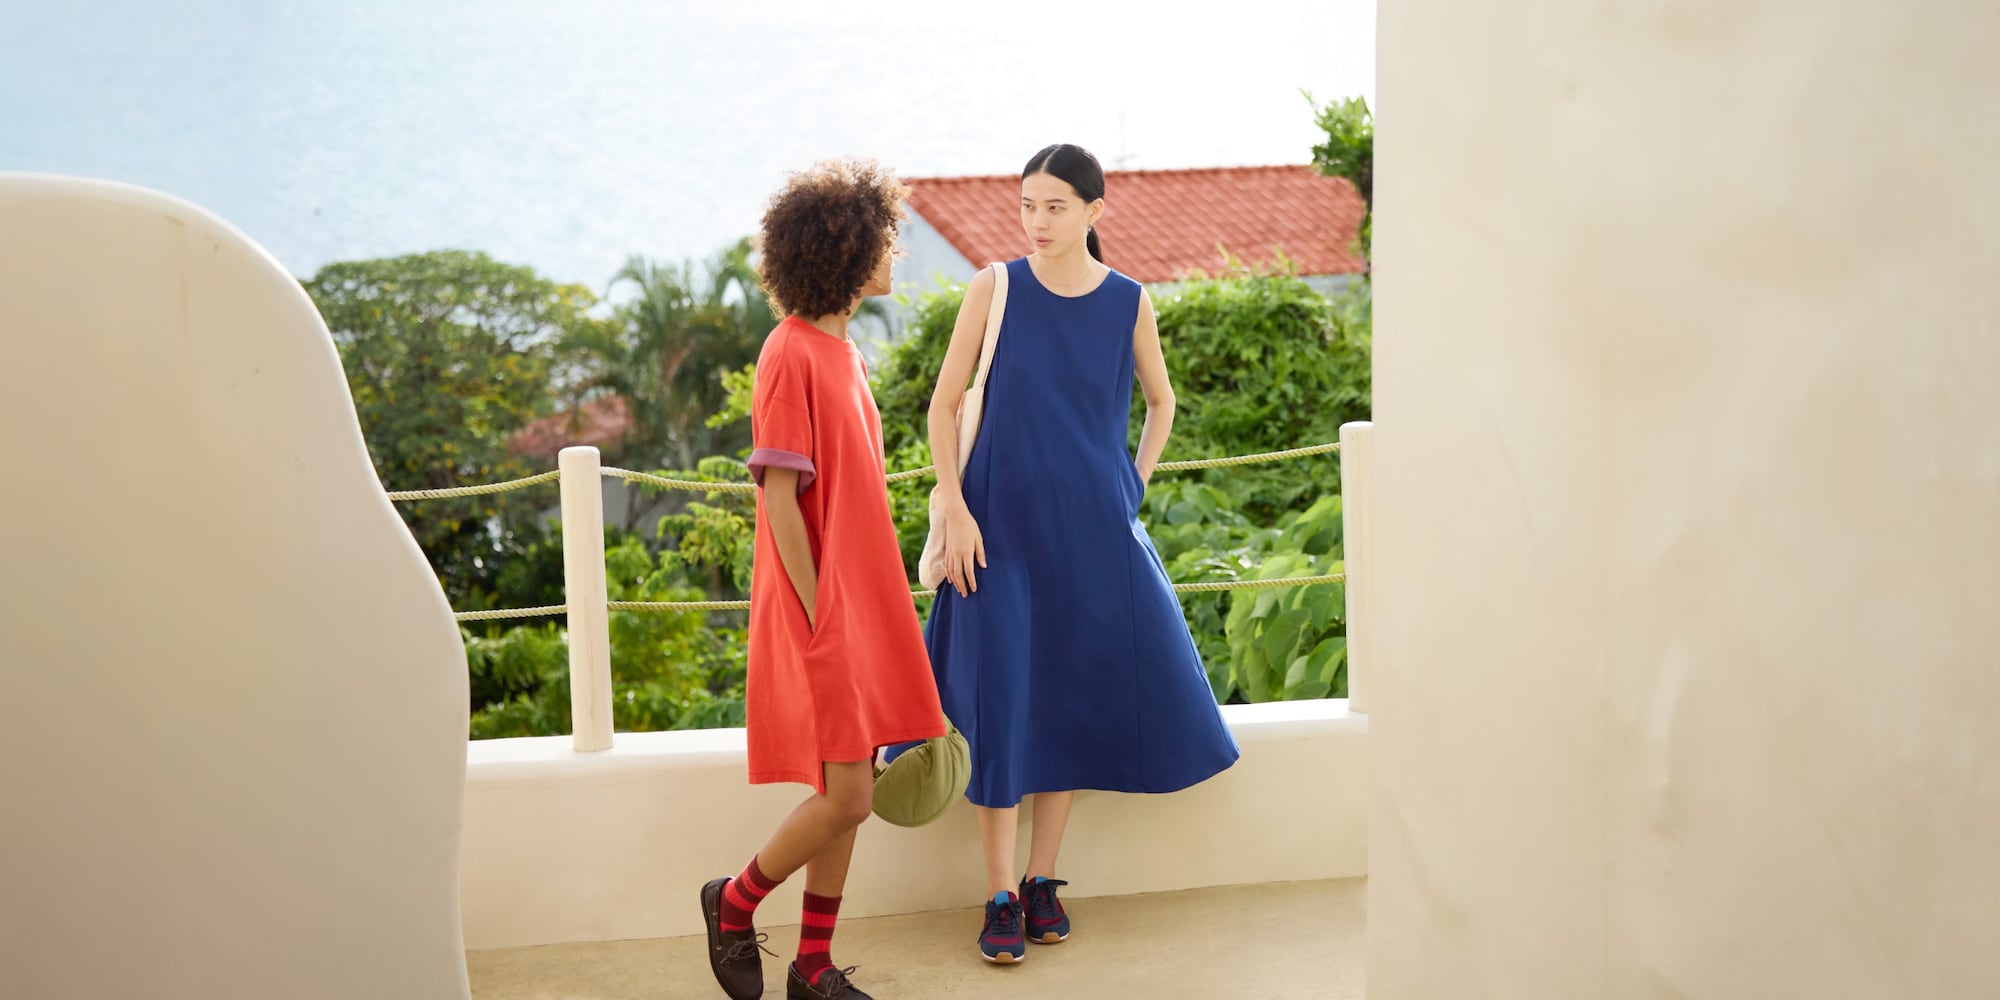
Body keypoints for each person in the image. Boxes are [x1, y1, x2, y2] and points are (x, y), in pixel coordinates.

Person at [917, 143, 1240, 964]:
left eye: (1055, 205)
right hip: (996, 531)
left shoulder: (1128, 301)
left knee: (1058, 698)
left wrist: (1129, 482)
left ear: (1097, 212)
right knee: (999, 703)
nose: (1036, 221)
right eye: (1027, 203)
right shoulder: (995, 288)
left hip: (1090, 532)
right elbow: (945, 403)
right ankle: (996, 894)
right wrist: (954, 508)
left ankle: (1040, 880)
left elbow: (1161, 400)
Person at [700, 158, 945, 1000]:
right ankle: (733, 903)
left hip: (861, 605)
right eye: (885, 239)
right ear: (841, 252)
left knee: (848, 786)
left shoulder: (846, 355)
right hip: (821, 610)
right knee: (848, 796)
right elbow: (778, 499)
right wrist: (819, 618)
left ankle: (812, 967)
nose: (894, 254)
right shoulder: (791, 353)